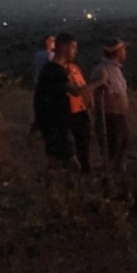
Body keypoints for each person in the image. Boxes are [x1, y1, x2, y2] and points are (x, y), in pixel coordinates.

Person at [33, 33, 103, 171]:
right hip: (55, 124)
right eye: (73, 47)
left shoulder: (53, 70)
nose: (75, 51)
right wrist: (99, 82)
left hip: (55, 122)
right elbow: (75, 91)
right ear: (64, 47)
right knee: (71, 164)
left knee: (57, 161)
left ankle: (54, 187)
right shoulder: (54, 70)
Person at [91, 38, 130, 173]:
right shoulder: (103, 70)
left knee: (122, 148)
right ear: (117, 53)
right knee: (111, 150)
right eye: (123, 50)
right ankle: (109, 179)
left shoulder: (116, 70)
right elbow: (95, 94)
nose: (125, 53)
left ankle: (119, 177)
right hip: (109, 117)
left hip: (119, 117)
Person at [30, 34, 56, 134]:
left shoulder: (37, 54)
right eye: (52, 41)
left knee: (41, 109)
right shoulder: (50, 55)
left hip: (39, 84)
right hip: (49, 85)